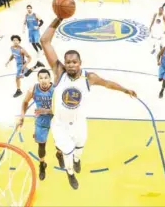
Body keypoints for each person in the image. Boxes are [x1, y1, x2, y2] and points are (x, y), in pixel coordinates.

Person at [40, 17, 137, 190]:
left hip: (79, 123)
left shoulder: (89, 77)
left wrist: (124, 90)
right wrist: (59, 17)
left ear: (80, 63)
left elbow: (107, 83)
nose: (70, 65)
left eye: (74, 62)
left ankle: (77, 160)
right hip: (60, 124)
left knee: (78, 151)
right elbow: (45, 41)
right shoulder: (58, 72)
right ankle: (70, 174)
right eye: (68, 62)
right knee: (68, 156)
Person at [18, 69, 54, 180]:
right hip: (41, 120)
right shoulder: (33, 89)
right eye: (41, 78)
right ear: (38, 80)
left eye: (46, 77)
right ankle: (42, 165)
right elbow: (25, 102)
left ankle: (59, 154)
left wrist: (44, 110)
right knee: (41, 145)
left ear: (50, 79)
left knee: (61, 142)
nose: (43, 80)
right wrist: (22, 117)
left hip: (55, 119)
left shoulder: (56, 89)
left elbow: (59, 109)